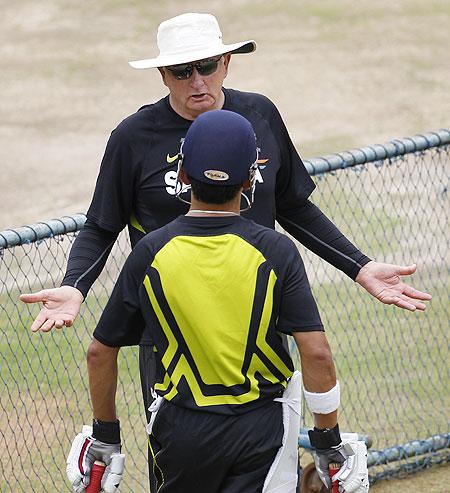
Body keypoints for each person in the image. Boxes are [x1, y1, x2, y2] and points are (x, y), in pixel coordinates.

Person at [20, 11, 428, 490]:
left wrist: (360, 267)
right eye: (181, 71)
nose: (198, 82)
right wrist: (74, 285)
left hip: (258, 329)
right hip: (174, 341)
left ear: (228, 63)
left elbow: (293, 204)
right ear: (163, 75)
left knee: (263, 454)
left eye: (207, 66)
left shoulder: (260, 115)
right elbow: (102, 225)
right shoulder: (133, 138)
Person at [66, 110, 369, 493]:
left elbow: (99, 352)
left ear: (184, 177)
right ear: (249, 180)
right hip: (262, 429)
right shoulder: (276, 251)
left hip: (179, 430)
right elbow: (318, 354)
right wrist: (327, 441)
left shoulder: (150, 252)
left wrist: (106, 435)